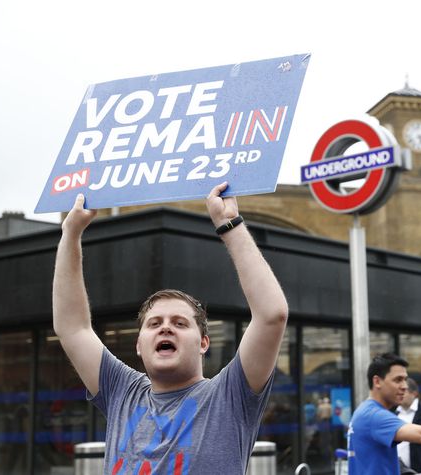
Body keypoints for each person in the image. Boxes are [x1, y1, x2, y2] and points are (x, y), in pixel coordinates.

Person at [52, 183, 289, 474]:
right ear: (139, 344)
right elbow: (72, 327)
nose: (166, 328)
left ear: (203, 342)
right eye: (154, 324)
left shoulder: (229, 396)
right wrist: (70, 234)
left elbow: (271, 315)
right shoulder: (122, 391)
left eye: (180, 323)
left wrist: (230, 224)